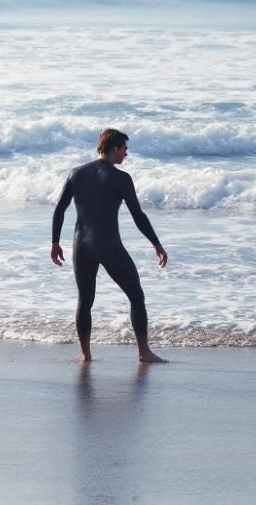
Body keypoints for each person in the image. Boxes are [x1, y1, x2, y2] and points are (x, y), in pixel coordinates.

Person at [51, 128, 168, 364]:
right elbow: (138, 215)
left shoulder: (76, 173)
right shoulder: (121, 178)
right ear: (115, 148)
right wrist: (156, 243)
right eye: (124, 149)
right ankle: (144, 353)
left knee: (85, 301)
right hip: (108, 245)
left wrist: (55, 242)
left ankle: (85, 355)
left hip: (81, 245)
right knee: (136, 297)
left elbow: (59, 209)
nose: (126, 155)